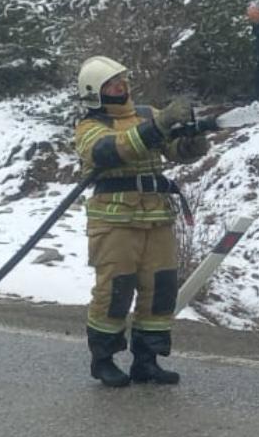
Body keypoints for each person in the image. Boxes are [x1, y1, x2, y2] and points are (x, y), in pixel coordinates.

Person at [72, 56, 209, 387]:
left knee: (160, 290)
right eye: (112, 84)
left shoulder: (146, 115)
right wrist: (159, 126)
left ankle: (146, 361)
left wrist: (193, 141)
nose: (122, 87)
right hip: (115, 222)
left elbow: (172, 149)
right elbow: (112, 150)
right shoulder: (90, 127)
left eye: (122, 80)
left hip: (156, 217)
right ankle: (103, 360)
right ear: (95, 92)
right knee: (115, 291)